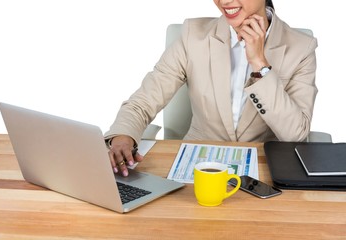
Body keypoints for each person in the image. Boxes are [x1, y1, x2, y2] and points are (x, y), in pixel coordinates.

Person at [105, 0, 318, 176]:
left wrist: (260, 65)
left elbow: (295, 135)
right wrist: (123, 136)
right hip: (193, 170)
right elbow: (143, 102)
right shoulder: (193, 36)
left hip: (262, 174)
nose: (224, 1)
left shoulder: (300, 48)